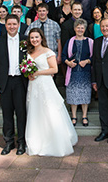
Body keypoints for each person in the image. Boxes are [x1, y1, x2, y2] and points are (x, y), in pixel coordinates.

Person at [25, 28, 78, 157]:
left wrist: (37, 73)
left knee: (50, 112)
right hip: (33, 85)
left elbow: (54, 69)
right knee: (36, 111)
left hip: (45, 85)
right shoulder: (29, 52)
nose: (34, 40)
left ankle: (56, 141)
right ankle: (38, 140)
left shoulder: (48, 52)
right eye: (32, 38)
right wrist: (29, 75)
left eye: (36, 37)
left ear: (41, 38)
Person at [0, 14, 28, 155]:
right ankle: (9, 142)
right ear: (5, 25)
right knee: (7, 114)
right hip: (4, 83)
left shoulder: (25, 40)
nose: (12, 26)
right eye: (9, 24)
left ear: (19, 25)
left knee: (21, 113)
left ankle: (21, 143)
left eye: (14, 24)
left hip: (20, 82)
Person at [62, 19, 93, 127]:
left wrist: (87, 61)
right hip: (73, 73)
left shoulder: (90, 42)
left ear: (85, 29)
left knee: (85, 95)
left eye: (82, 27)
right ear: (74, 28)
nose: (80, 29)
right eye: (78, 27)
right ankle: (74, 116)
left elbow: (95, 57)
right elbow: (63, 56)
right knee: (72, 95)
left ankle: (84, 116)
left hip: (86, 73)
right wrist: (68, 63)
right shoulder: (70, 41)